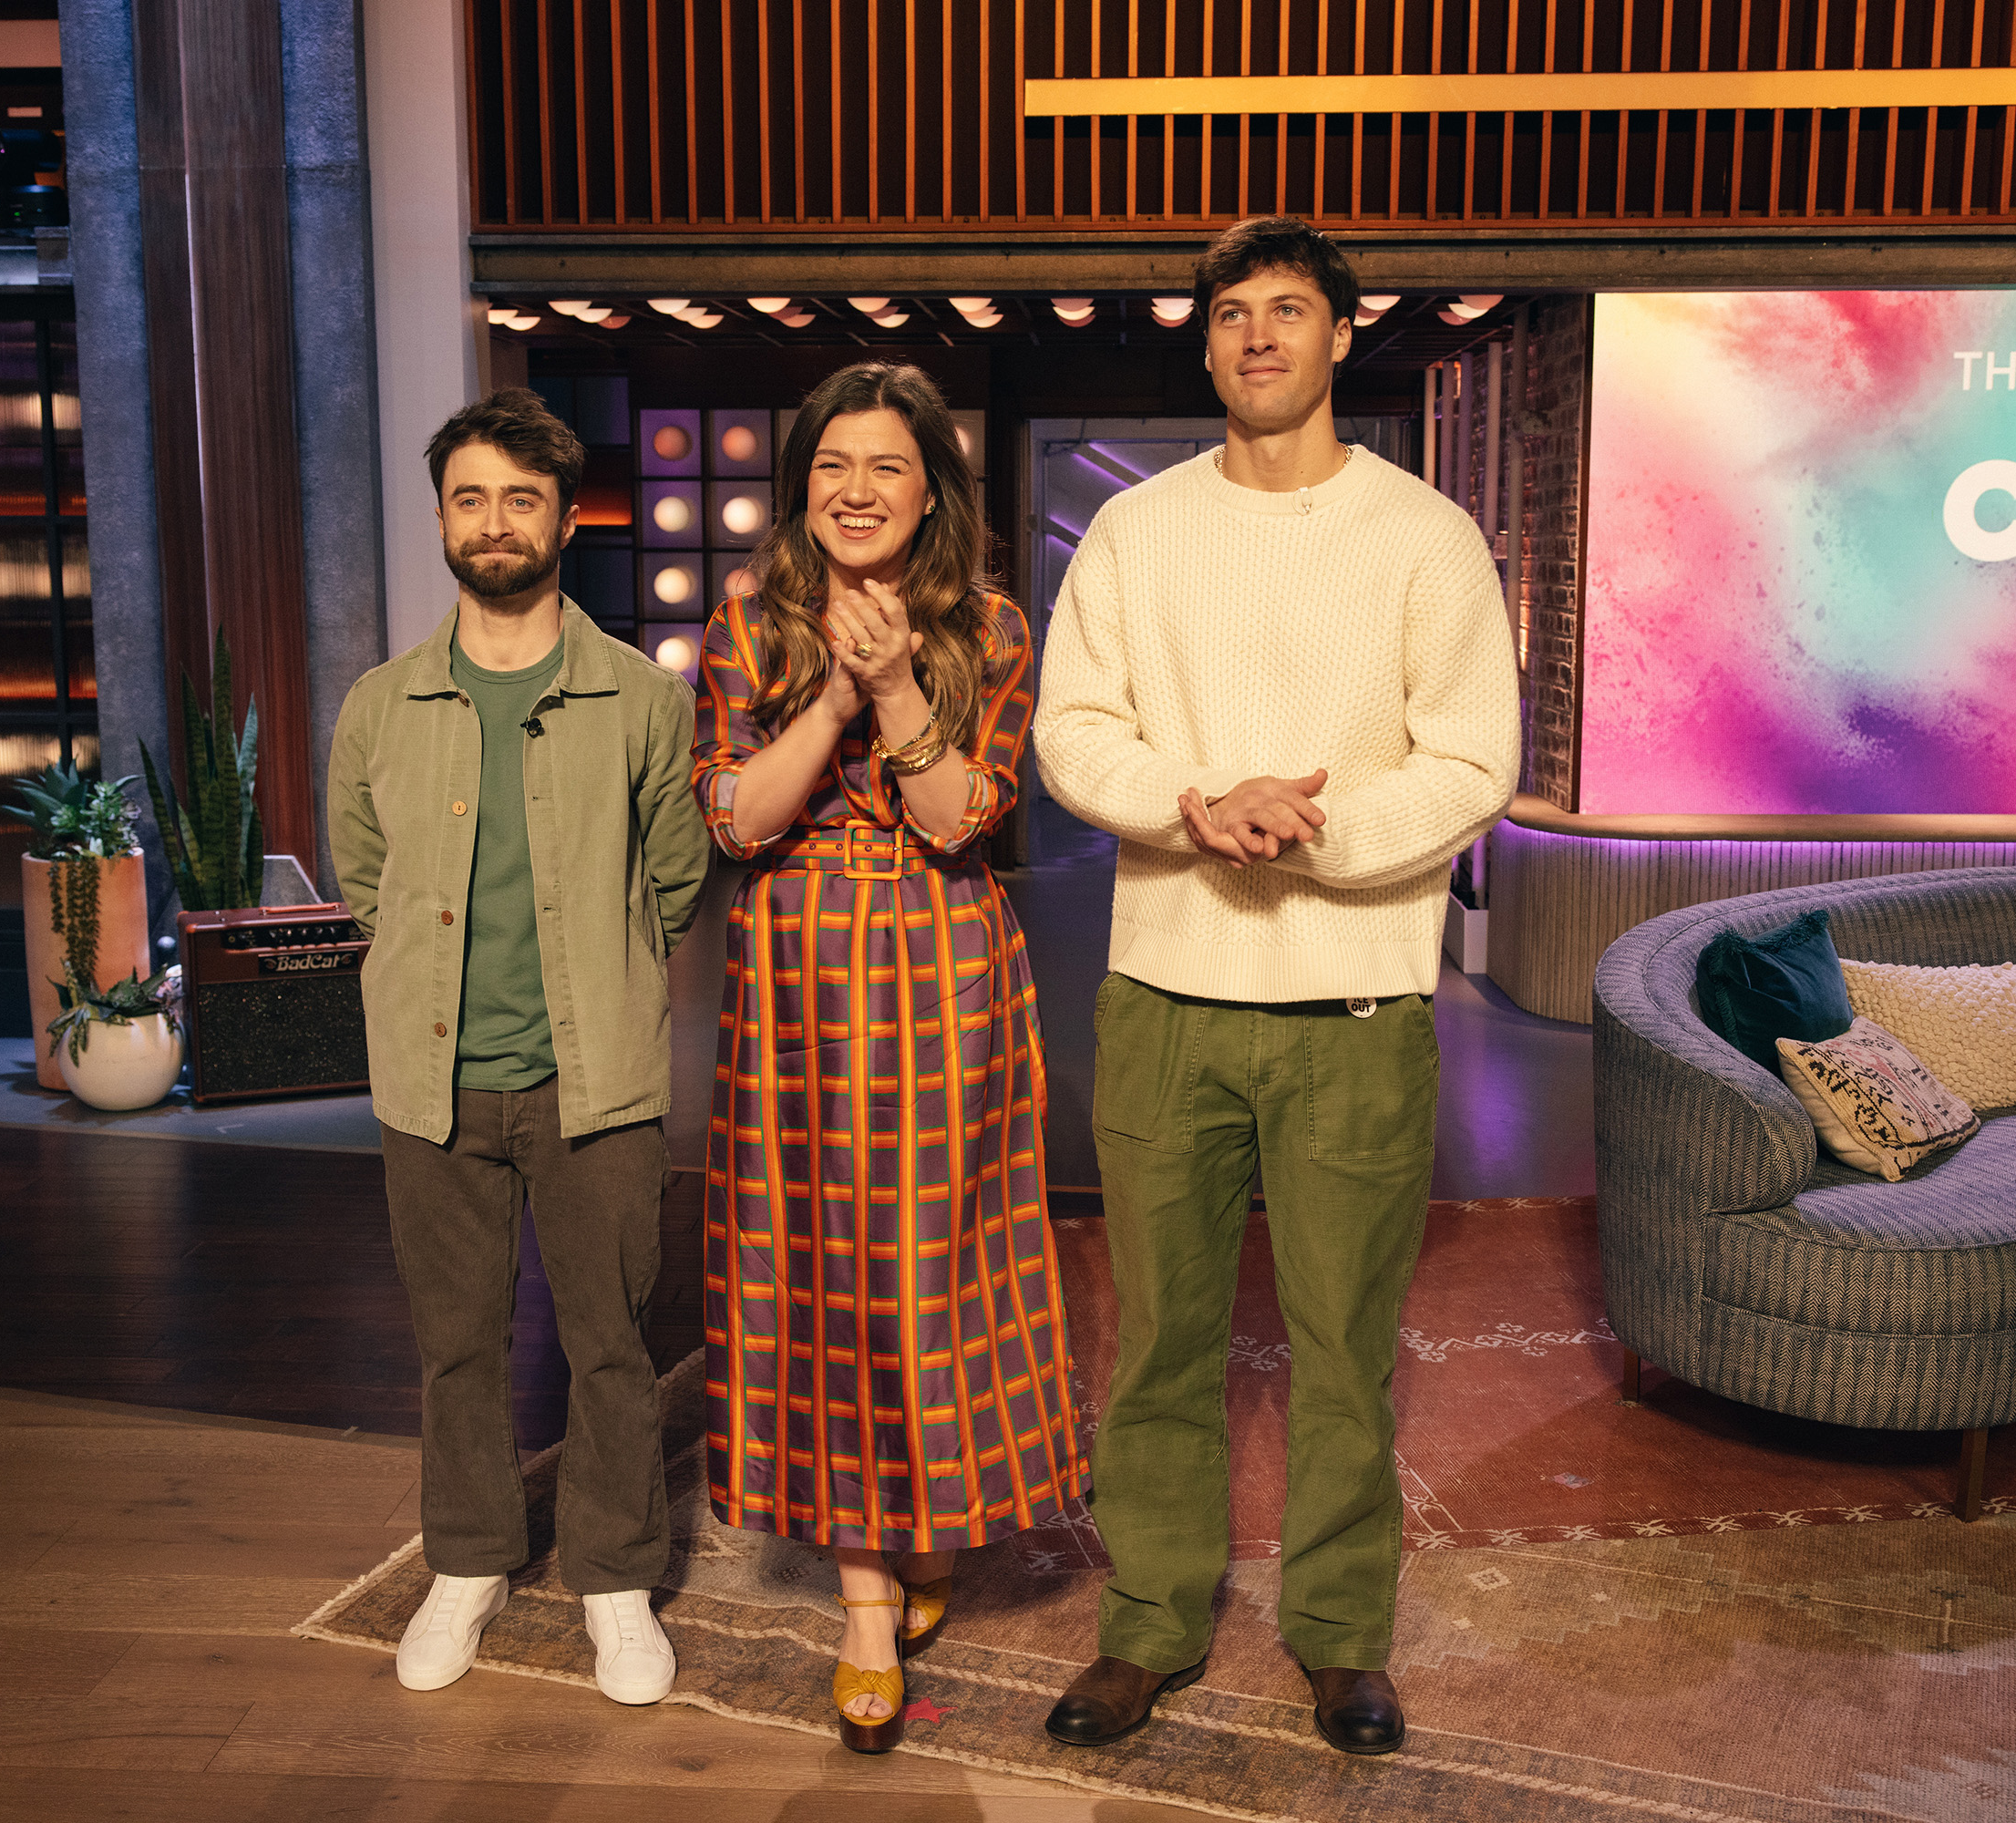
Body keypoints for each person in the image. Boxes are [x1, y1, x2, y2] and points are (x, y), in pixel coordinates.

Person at [1030, 217, 1520, 1756]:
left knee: (1342, 1347)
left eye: (1287, 311)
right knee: (1160, 1339)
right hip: (1164, 995)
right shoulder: (1136, 534)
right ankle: (1151, 1625)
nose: (1257, 337)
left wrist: (1309, 837)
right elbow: (1072, 729)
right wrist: (1197, 800)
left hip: (1357, 1010)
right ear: (1207, 341)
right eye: (1232, 313)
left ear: (1339, 335)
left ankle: (1339, 1639)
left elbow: (1473, 759)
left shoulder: (1425, 537)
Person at [693, 361, 1087, 1755]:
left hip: (942, 977)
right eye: (832, 469)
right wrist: (842, 699)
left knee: (930, 1269)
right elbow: (738, 823)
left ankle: (925, 1522)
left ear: (933, 493)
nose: (857, 492)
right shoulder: (748, 626)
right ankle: (867, 1604)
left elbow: (963, 817)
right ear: (803, 490)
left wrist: (907, 676)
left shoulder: (990, 625)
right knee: (818, 1273)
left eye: (888, 470)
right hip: (794, 980)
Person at [328, 389, 710, 1705]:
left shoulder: (639, 702)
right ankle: (470, 1564)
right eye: (470, 498)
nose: (494, 524)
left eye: (522, 498)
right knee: (456, 1343)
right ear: (443, 516)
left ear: (566, 517)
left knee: (610, 1341)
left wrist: (597, 988)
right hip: (431, 1087)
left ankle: (614, 1582)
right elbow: (364, 877)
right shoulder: (381, 705)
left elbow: (674, 877)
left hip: (593, 1082)